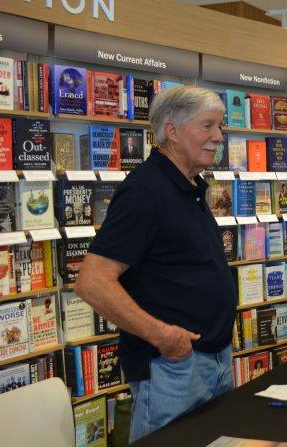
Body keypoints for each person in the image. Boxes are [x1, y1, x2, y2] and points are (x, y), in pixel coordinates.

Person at [74, 86, 235, 442]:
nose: (218, 137)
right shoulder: (145, 190)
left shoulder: (191, 186)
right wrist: (164, 337)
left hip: (215, 358)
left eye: (220, 127)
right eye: (207, 126)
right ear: (172, 130)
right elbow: (92, 281)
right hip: (174, 367)